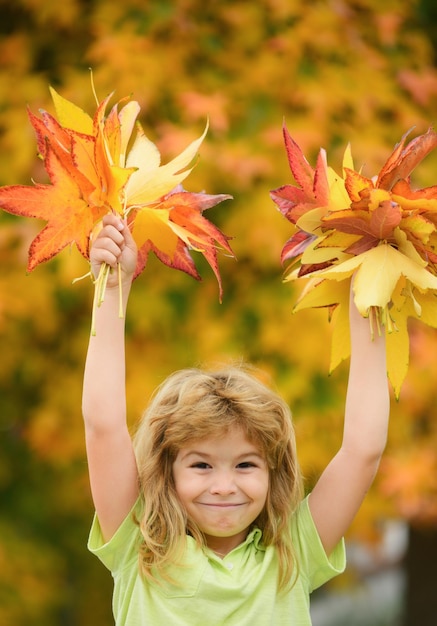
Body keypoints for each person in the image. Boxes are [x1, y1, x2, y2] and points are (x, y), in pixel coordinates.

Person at [82, 213, 390, 625]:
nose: (224, 487)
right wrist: (114, 289)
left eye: (245, 464)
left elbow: (362, 451)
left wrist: (367, 305)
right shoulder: (139, 545)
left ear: (272, 472)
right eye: (201, 465)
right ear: (167, 470)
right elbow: (103, 427)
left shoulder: (292, 553)